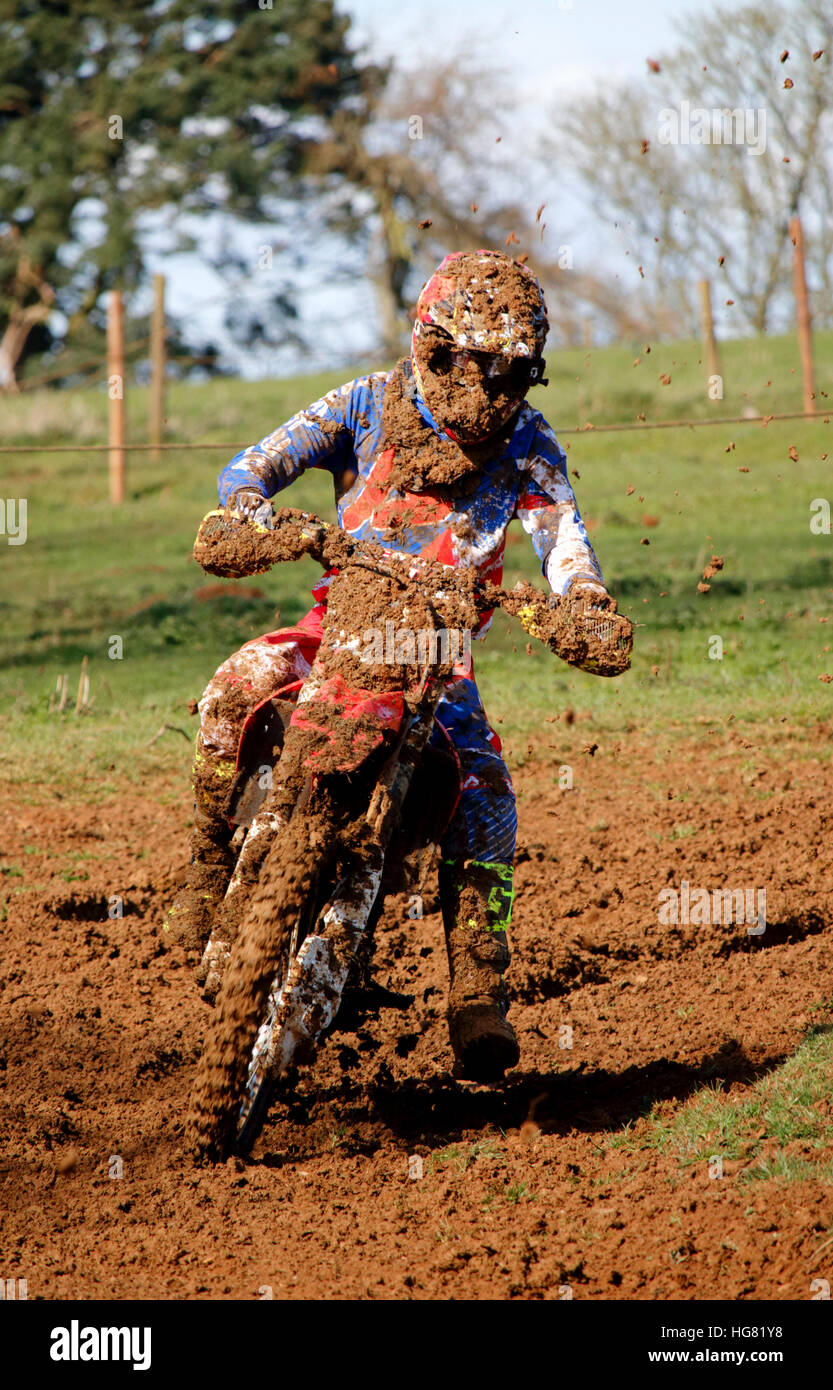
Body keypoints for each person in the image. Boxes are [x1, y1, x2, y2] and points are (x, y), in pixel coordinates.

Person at [163, 249, 633, 1082]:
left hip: (440, 660)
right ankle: (205, 871)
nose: (491, 393)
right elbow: (254, 464)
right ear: (432, 348)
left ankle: (476, 994)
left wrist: (584, 602)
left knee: (486, 795)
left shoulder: (529, 444)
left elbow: (564, 540)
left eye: (514, 376)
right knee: (233, 688)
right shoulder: (363, 404)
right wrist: (251, 514)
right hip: (335, 624)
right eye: (474, 368)